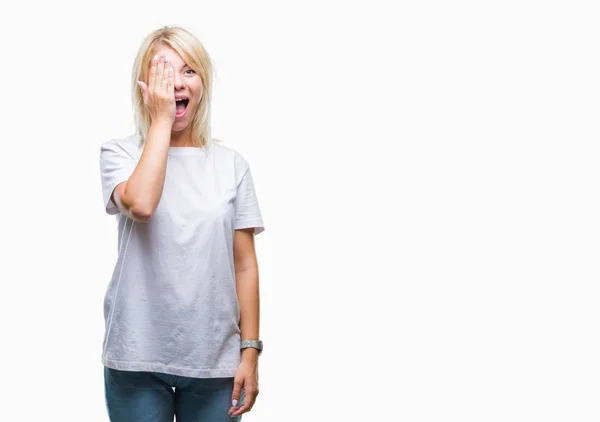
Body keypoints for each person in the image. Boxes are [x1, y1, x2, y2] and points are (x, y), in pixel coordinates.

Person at [98, 25, 265, 422]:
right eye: (163, 72)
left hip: (214, 360)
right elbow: (140, 204)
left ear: (203, 83)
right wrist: (159, 121)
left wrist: (251, 351)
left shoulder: (231, 165)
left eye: (189, 71)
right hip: (136, 356)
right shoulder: (119, 153)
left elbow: (245, 265)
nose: (176, 82)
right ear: (144, 85)